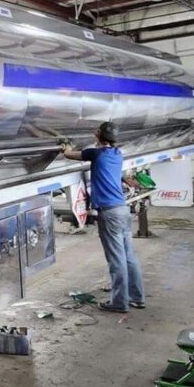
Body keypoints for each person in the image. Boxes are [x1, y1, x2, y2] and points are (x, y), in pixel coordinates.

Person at [61, 122, 144, 312]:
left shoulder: (96, 154)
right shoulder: (117, 154)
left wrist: (66, 145)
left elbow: (68, 154)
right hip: (122, 210)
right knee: (129, 256)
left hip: (109, 213)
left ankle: (119, 302)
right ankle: (137, 297)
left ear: (98, 134)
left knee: (116, 260)